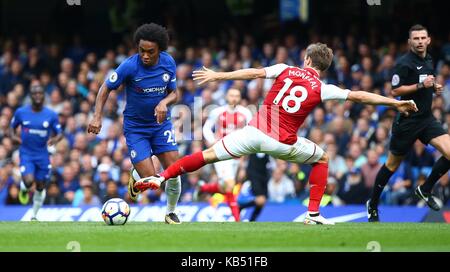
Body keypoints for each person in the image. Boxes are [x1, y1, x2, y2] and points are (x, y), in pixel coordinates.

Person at [135, 42, 417, 225]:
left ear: (306, 59)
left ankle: (161, 177)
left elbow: (254, 74)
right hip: (282, 142)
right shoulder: (323, 87)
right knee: (321, 158)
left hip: (253, 132)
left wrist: (218, 76)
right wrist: (394, 102)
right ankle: (314, 213)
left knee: (206, 156)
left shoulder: (285, 68)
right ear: (323, 67)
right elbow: (358, 96)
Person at [87, 23, 182, 224]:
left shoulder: (168, 63)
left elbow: (174, 93)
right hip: (136, 128)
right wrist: (97, 116)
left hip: (160, 125)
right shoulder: (129, 66)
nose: (145, 55)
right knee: (151, 180)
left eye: (150, 52)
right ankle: (136, 174)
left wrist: (164, 102)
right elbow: (105, 87)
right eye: (141, 51)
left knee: (174, 169)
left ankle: (171, 212)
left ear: (160, 50)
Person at [367, 25, 450, 222]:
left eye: (423, 38)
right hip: (407, 121)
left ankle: (425, 188)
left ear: (429, 40)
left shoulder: (429, 59)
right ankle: (373, 203)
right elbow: (395, 91)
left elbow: (425, 82)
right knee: (391, 165)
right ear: (410, 42)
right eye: (416, 38)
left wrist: (433, 87)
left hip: (427, 119)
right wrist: (422, 85)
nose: (420, 41)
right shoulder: (404, 63)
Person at [198, 88, 253, 221]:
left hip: (237, 155)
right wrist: (211, 141)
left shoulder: (245, 113)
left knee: (226, 186)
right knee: (230, 184)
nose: (234, 98)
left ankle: (204, 188)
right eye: (231, 95)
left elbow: (251, 133)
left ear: (240, 98)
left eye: (237, 95)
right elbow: (207, 128)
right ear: (227, 97)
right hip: (221, 153)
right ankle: (236, 218)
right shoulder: (217, 112)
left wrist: (244, 160)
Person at [10, 84, 63, 220]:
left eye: (40, 93)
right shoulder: (21, 112)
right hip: (26, 153)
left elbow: (60, 133)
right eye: (35, 93)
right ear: (30, 96)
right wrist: (14, 137)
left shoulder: (50, 115)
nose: (38, 96)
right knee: (28, 181)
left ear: (44, 96)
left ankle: (34, 215)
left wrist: (55, 139)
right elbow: (11, 128)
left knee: (40, 186)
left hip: (43, 154)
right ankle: (24, 188)